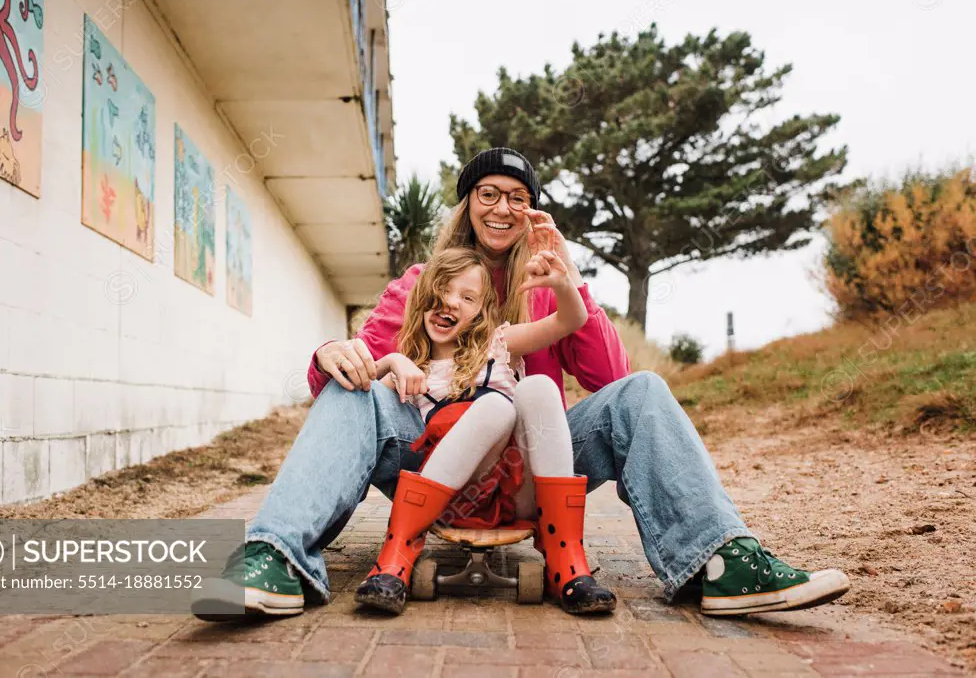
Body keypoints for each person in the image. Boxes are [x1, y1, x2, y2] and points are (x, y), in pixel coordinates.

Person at [192, 147, 849, 621]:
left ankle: (722, 560)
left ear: (530, 208)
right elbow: (363, 358)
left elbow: (609, 381)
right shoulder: (424, 279)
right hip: (433, 456)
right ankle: (272, 554)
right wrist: (334, 351)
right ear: (469, 204)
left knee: (642, 391)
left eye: (516, 195)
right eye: (488, 193)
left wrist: (572, 283)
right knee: (351, 387)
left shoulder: (548, 291)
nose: (503, 205)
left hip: (535, 468)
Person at [354, 246, 617, 615]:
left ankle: (566, 561)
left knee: (537, 387)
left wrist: (562, 282)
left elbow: (569, 320)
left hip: (516, 494)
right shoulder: (414, 369)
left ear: (482, 312)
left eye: (467, 297)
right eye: (442, 290)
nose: (451, 302)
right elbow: (365, 403)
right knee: (493, 406)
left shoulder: (498, 345)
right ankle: (397, 555)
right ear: (422, 295)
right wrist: (394, 361)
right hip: (455, 496)